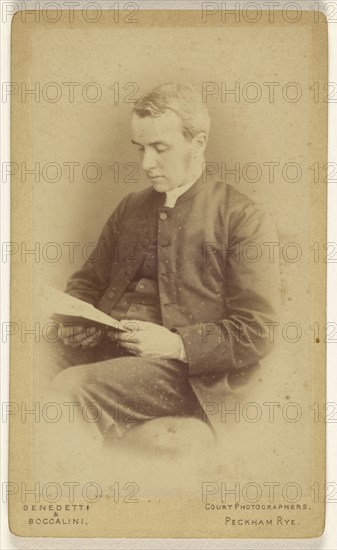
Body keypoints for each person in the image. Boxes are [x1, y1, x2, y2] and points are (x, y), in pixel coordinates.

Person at [41, 83, 280, 464]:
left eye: (160, 148)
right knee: (24, 363)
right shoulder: (131, 207)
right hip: (108, 350)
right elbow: (88, 282)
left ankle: (77, 508)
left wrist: (176, 344)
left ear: (197, 142)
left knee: (72, 389)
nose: (146, 163)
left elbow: (259, 329)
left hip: (184, 374)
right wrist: (77, 318)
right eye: (140, 148)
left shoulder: (241, 217)